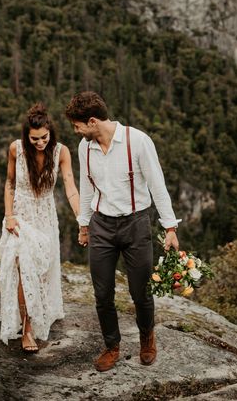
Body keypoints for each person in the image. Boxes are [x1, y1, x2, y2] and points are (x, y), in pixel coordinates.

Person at [65, 91, 181, 372]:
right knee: (102, 293)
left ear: (92, 121)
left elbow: (157, 185)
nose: (76, 130)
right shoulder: (85, 147)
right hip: (101, 226)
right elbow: (87, 186)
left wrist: (170, 227)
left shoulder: (138, 141)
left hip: (136, 224)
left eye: (78, 125)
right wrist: (84, 225)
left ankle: (146, 338)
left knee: (140, 291)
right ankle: (112, 346)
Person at [0, 103, 80, 352]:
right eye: (34, 139)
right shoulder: (16, 149)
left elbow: (70, 186)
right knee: (24, 270)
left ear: (50, 133)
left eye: (44, 137)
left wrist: (81, 218)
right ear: (27, 136)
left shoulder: (61, 152)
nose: (40, 142)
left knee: (42, 271)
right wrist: (9, 215)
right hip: (21, 217)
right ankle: (28, 328)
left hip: (45, 217)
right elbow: (10, 183)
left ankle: (39, 313)